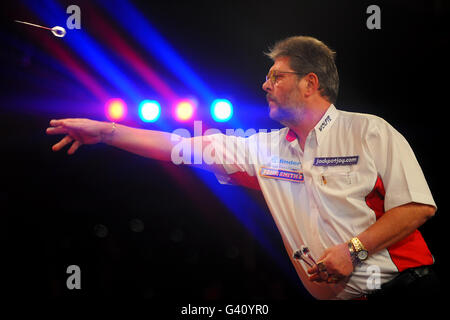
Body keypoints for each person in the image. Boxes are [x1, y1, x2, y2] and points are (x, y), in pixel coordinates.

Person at [46, 36, 439, 300]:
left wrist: (354, 251)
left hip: (406, 287)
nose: (265, 85)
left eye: (275, 76)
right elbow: (178, 146)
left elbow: (418, 207)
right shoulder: (263, 149)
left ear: (310, 82)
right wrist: (107, 131)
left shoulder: (369, 130)